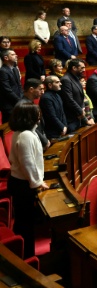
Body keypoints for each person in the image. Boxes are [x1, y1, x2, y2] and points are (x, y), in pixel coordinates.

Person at [8, 103, 48, 259]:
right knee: (25, 224)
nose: (39, 117)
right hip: (22, 184)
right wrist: (36, 183)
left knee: (24, 222)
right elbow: (27, 163)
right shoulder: (25, 135)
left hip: (21, 182)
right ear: (29, 117)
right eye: (36, 114)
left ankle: (24, 254)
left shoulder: (26, 133)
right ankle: (26, 258)